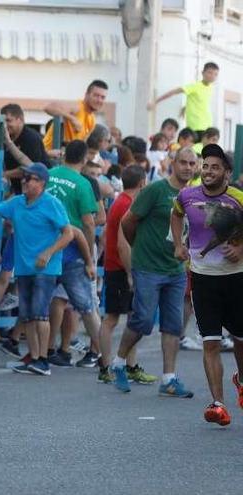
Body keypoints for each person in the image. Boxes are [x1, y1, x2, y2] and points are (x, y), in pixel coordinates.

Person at [111, 147, 198, 396]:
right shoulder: (155, 190)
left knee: (173, 325)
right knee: (143, 320)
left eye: (193, 163)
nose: (188, 167)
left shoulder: (194, 195)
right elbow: (128, 221)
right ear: (173, 162)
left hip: (175, 269)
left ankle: (169, 379)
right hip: (148, 267)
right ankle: (118, 363)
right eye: (183, 162)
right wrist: (138, 246)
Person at [170, 143, 243, 425]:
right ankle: (218, 404)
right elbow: (175, 215)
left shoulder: (238, 196)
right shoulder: (186, 196)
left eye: (215, 167)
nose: (208, 171)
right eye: (206, 165)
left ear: (226, 172)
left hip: (236, 279)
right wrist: (178, 245)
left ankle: (240, 379)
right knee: (210, 342)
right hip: (202, 279)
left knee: (239, 341)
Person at [0, 163, 74, 376]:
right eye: (24, 177)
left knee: (40, 314)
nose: (24, 181)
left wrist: (48, 253)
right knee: (28, 315)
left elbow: (68, 234)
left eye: (30, 178)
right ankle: (34, 357)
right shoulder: (17, 203)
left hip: (45, 268)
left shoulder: (52, 203)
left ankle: (43, 360)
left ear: (41, 183)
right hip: (24, 268)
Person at [43, 140, 101, 368]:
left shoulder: (48, 175)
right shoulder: (83, 184)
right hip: (72, 251)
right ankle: (103, 353)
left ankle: (44, 352)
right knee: (86, 306)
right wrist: (88, 256)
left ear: (65, 154)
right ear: (85, 158)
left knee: (46, 302)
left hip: (46, 247)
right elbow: (88, 223)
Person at [96, 165, 156, 384]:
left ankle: (130, 367)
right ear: (142, 183)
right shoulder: (127, 205)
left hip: (118, 266)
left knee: (133, 318)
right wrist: (131, 274)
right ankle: (106, 366)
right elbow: (123, 245)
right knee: (112, 318)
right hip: (121, 268)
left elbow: (105, 236)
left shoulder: (120, 201)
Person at [149, 62, 219, 136]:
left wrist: (185, 108)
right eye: (210, 73)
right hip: (195, 126)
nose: (212, 76)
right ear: (203, 73)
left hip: (207, 125)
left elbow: (199, 101)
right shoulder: (194, 86)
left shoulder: (210, 87)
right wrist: (155, 102)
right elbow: (174, 92)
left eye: (215, 74)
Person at [43, 80, 108, 150]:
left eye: (102, 97)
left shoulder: (92, 120)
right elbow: (48, 108)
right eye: (96, 95)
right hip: (47, 156)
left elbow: (82, 145)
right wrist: (72, 118)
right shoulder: (77, 106)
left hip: (66, 157)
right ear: (86, 95)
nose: (99, 100)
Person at [0, 103, 48, 195]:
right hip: (15, 189)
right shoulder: (5, 137)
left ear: (20, 120)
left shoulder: (31, 138)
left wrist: (3, 174)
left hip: (37, 192)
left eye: (9, 121)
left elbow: (31, 168)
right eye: (3, 122)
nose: (5, 125)